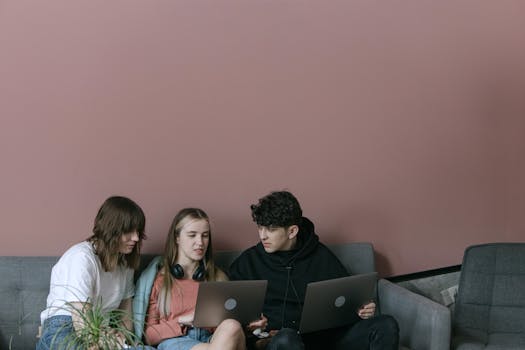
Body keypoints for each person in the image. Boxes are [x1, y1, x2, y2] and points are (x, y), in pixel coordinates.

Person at [229, 191, 399, 350]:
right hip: (279, 341)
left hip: (324, 339)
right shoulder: (247, 263)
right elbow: (232, 318)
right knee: (286, 338)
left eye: (271, 229)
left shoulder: (320, 255)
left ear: (292, 231)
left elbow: (346, 301)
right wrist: (251, 327)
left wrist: (361, 309)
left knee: (386, 324)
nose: (262, 235)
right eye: (260, 227)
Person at [37, 196, 151, 350]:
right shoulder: (82, 257)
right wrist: (102, 341)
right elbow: (80, 320)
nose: (136, 238)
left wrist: (126, 339)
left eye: (138, 231)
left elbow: (125, 316)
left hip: (100, 331)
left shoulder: (125, 264)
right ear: (111, 229)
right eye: (129, 231)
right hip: (66, 326)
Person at [134, 208, 245, 350]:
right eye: (192, 235)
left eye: (205, 235)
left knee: (232, 325)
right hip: (176, 341)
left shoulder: (217, 277)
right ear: (177, 238)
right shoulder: (159, 279)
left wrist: (251, 323)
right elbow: (148, 336)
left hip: (213, 339)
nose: (200, 242)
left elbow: (230, 325)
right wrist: (181, 321)